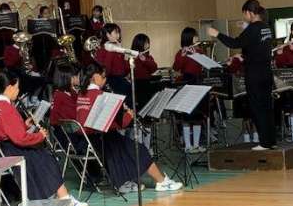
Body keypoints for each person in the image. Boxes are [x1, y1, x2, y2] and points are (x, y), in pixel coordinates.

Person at [76, 64, 183, 194]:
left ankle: (123, 183)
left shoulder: (82, 94)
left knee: (124, 147)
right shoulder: (100, 95)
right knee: (139, 149)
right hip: (101, 138)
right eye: (103, 77)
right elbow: (109, 124)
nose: (105, 80)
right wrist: (128, 116)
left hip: (87, 140)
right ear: (95, 77)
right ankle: (161, 182)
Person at [0, 72, 88, 206]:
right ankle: (64, 199)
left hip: (7, 149)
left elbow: (8, 130)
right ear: (9, 87)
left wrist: (24, 125)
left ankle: (62, 198)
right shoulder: (6, 109)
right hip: (16, 150)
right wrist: (40, 136)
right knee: (48, 159)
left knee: (46, 158)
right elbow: (20, 139)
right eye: (17, 87)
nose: (18, 91)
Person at [208, 0, 276, 151]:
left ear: (250, 13)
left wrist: (217, 33)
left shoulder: (253, 28)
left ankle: (264, 143)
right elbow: (257, 48)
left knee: (257, 108)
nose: (244, 17)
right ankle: (271, 140)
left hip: (254, 74)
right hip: (266, 73)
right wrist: (245, 56)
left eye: (244, 14)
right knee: (267, 107)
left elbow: (235, 43)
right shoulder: (266, 27)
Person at [173, 27, 205, 153]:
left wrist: (197, 54)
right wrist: (183, 55)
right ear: (189, 38)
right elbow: (176, 67)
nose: (197, 38)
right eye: (195, 36)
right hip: (186, 83)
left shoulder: (200, 51)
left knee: (197, 116)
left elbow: (202, 65)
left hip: (198, 83)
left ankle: (196, 145)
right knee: (186, 116)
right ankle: (187, 145)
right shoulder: (181, 52)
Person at [94, 23, 131, 103]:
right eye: (116, 32)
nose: (118, 35)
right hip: (109, 82)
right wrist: (110, 51)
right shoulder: (101, 50)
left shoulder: (118, 48)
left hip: (120, 80)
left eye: (119, 32)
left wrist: (127, 60)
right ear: (108, 34)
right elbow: (106, 70)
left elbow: (125, 70)